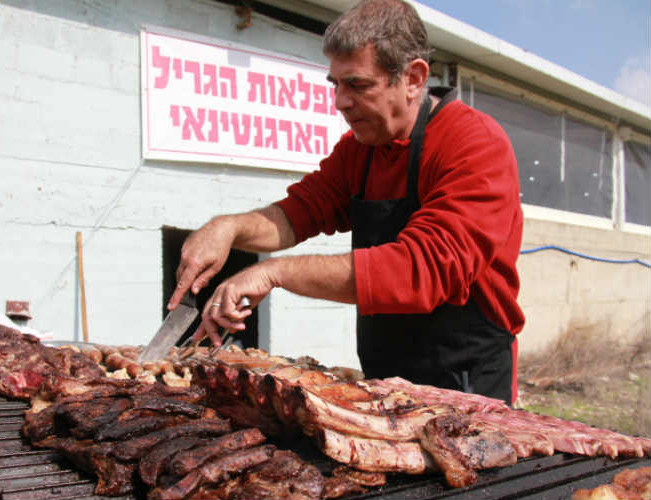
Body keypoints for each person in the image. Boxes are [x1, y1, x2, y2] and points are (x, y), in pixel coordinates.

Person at [167, 0, 524, 404]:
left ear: (412, 77)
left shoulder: (474, 144)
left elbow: (422, 270)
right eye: (334, 84)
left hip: (466, 375)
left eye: (357, 84)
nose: (340, 102)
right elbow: (298, 213)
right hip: (387, 372)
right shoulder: (360, 150)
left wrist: (273, 273)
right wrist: (227, 228)